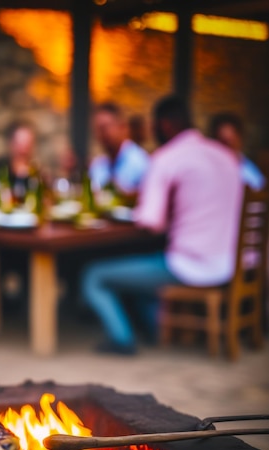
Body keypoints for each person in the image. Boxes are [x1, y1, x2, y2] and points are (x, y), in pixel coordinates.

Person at [81, 95, 243, 355]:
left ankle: (123, 339)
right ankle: (155, 328)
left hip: (189, 267)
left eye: (153, 126)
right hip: (233, 263)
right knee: (140, 268)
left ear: (165, 125)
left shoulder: (167, 158)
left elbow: (150, 222)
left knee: (94, 275)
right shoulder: (226, 156)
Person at [89, 102, 150, 197]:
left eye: (105, 127)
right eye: (98, 129)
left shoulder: (140, 161)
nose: (102, 134)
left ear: (122, 127)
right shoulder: (97, 165)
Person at [209, 112, 266, 191]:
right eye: (224, 143)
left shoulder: (245, 166)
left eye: (232, 143)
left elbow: (258, 186)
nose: (229, 150)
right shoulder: (209, 168)